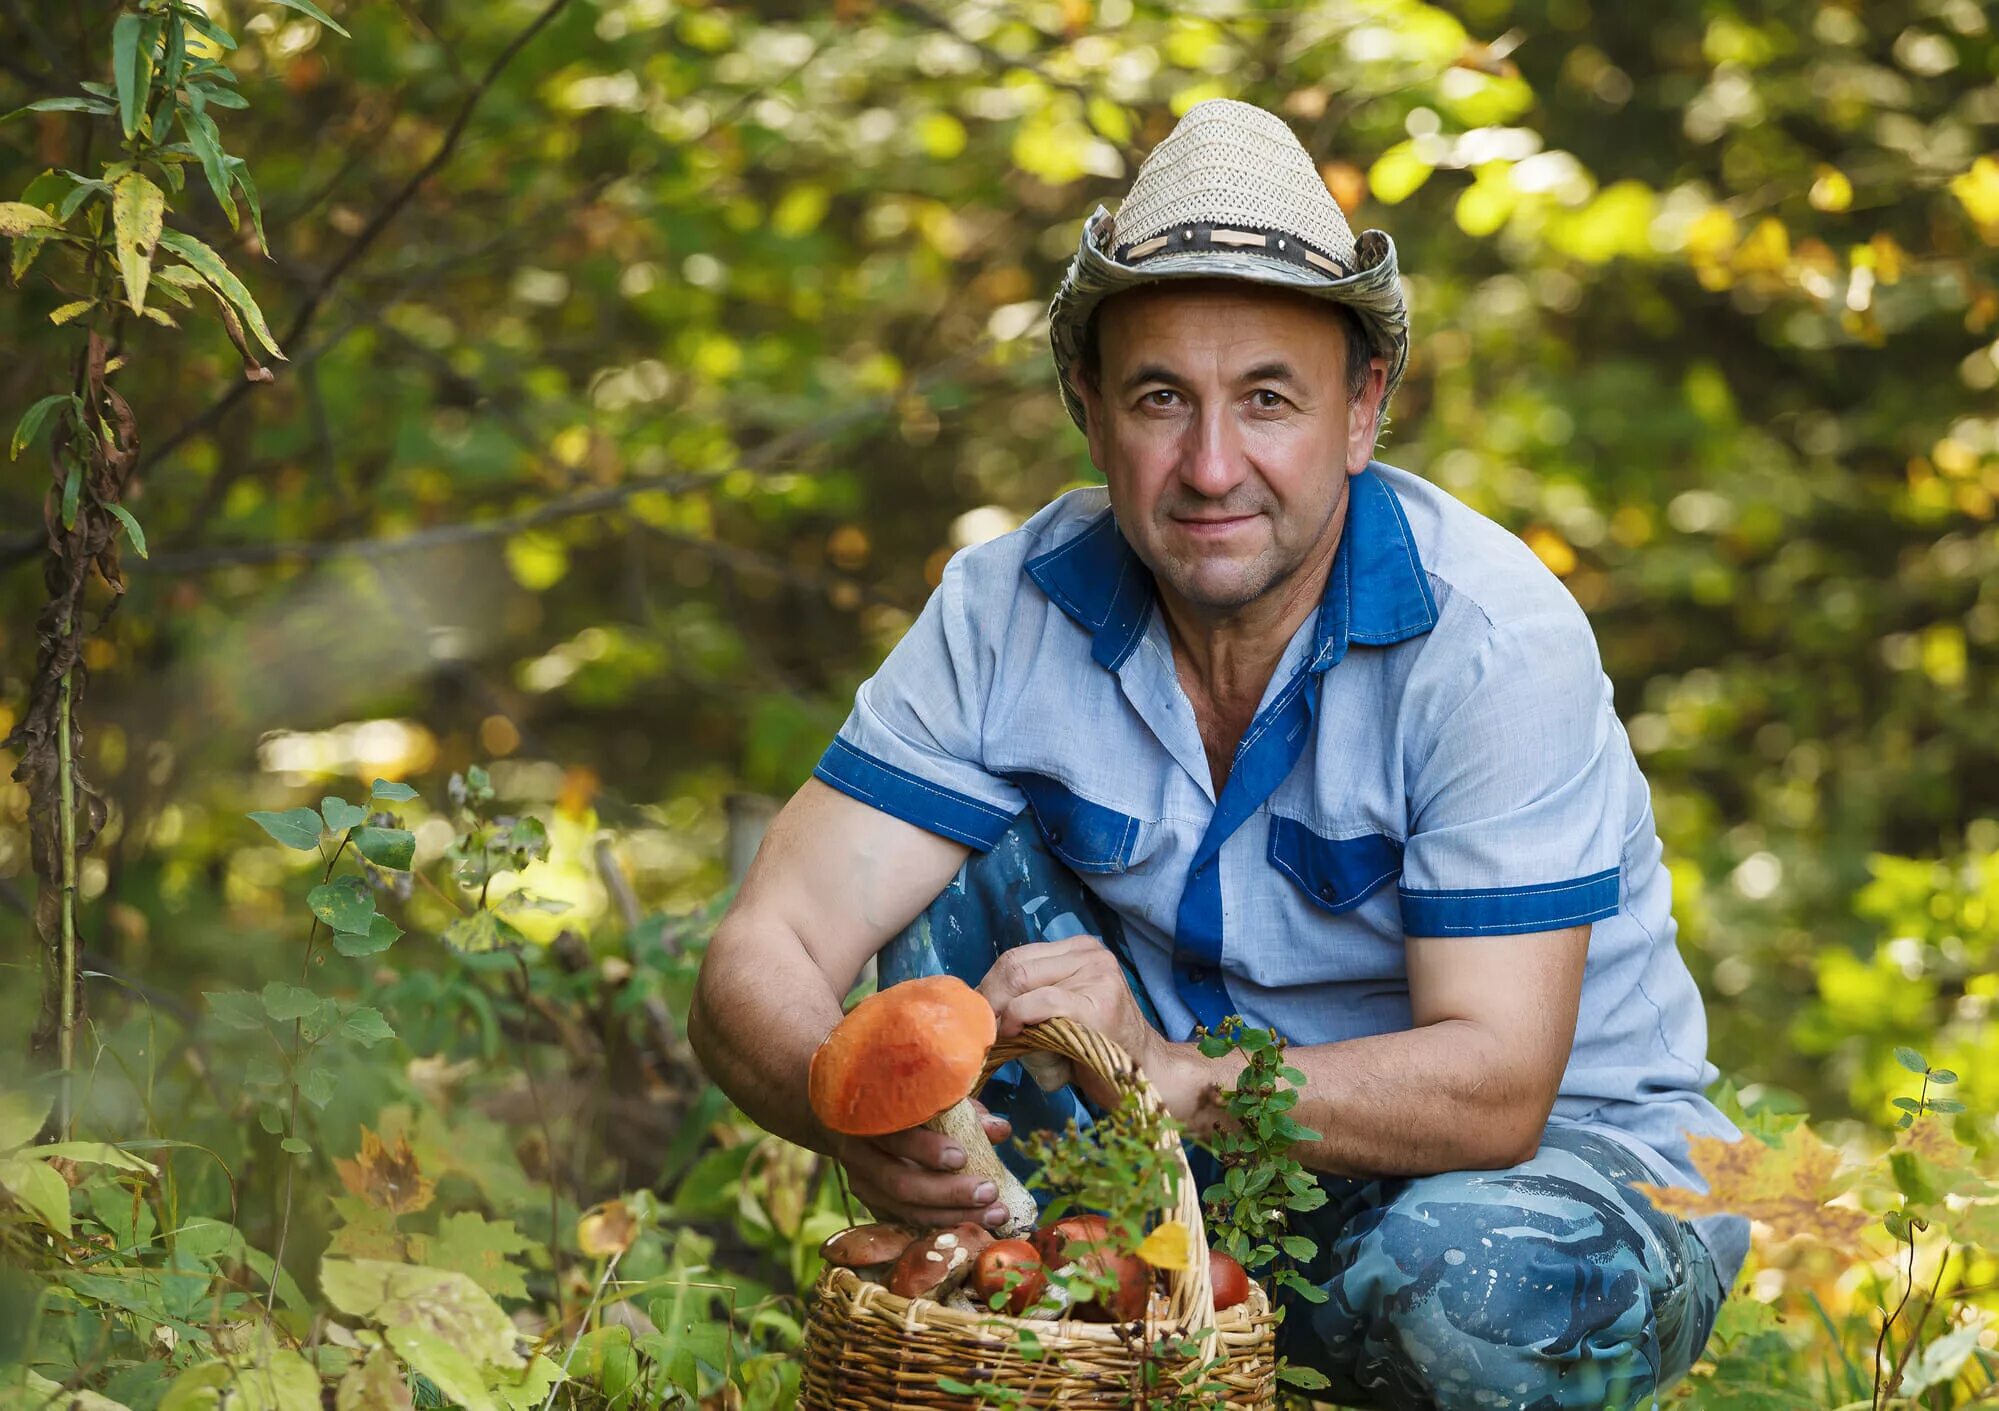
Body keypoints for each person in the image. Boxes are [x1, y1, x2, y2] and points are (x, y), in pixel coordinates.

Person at [690, 98, 1748, 1410]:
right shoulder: (1002, 608)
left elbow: (1496, 1089)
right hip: (1186, 1173)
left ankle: (1218, 1344)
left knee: (1457, 1277)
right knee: (943, 887)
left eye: (1266, 400)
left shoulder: (1491, 638)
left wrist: (1176, 1076)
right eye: (1157, 399)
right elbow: (762, 947)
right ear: (1087, 409)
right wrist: (849, 1103)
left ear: (1361, 410)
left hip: (1551, 1171)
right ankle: (1074, 1328)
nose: (1209, 465)